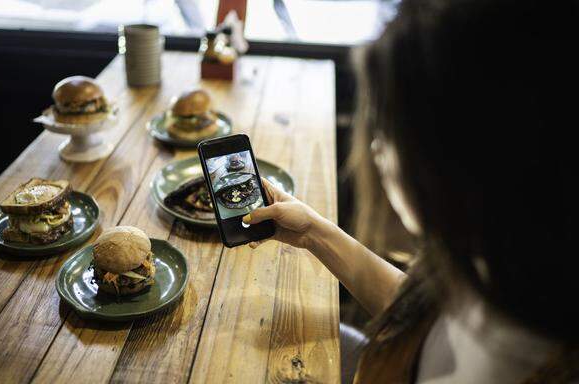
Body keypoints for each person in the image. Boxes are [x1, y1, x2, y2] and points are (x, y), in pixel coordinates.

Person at [242, 0, 579, 383]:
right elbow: (422, 320)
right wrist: (315, 233)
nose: (377, 150)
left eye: (387, 129)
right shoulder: (497, 259)